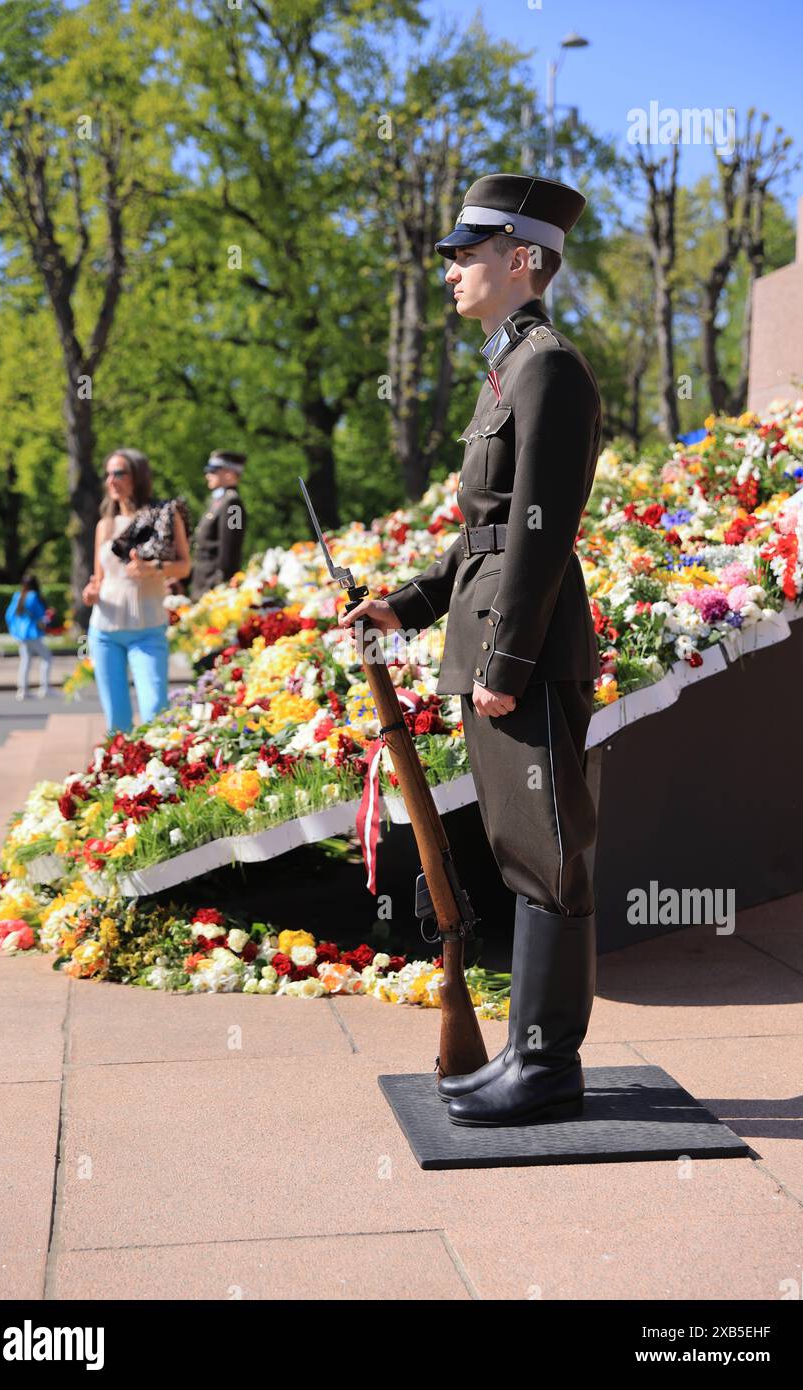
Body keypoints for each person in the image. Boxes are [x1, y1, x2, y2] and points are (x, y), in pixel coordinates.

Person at [339, 173, 601, 1127]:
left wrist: (508, 660)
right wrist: (403, 608)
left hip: (517, 649)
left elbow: (541, 531)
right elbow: (482, 538)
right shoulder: (507, 369)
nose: (451, 268)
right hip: (492, 636)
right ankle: (532, 1057)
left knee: (548, 854)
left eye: (470, 252)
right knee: (518, 849)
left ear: (522, 258)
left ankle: (544, 1065)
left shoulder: (548, 368)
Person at [82, 448, 192, 733]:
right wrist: (91, 592)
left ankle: (159, 773)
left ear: (139, 476)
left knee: (155, 712)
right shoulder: (104, 526)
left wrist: (153, 568)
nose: (111, 480)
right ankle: (122, 775)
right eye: (108, 473)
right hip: (104, 632)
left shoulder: (164, 516)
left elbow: (184, 566)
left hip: (148, 630)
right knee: (117, 723)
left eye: (119, 473)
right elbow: (99, 577)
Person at [189, 451, 247, 600]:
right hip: (202, 584)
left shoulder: (233, 504)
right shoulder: (218, 501)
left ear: (229, 474)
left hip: (213, 588)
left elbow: (230, 550)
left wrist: (221, 584)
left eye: (213, 470)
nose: (208, 474)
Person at [5, 574, 53, 701]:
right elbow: (41, 616)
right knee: (47, 657)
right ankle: (45, 687)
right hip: (32, 633)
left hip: (21, 633)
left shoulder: (18, 596)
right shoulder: (33, 597)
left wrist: (14, 629)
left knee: (25, 660)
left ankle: (23, 689)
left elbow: (9, 616)